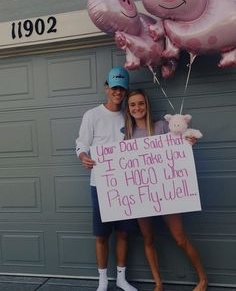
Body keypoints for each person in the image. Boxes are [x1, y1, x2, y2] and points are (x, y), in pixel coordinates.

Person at [124, 89, 208, 291]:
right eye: (133, 104)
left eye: (141, 103)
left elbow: (179, 148)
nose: (137, 108)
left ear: (147, 104)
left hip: (167, 193)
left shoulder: (161, 126)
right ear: (128, 109)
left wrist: (189, 142)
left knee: (180, 238)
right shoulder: (126, 136)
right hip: (141, 195)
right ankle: (158, 284)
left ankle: (203, 279)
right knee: (148, 239)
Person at [76, 67, 138, 291]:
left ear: (125, 90)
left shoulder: (129, 114)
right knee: (101, 234)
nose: (118, 92)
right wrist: (83, 156)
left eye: (121, 88)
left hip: (126, 184)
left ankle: (121, 278)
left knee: (123, 232)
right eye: (114, 87)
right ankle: (102, 281)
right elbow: (82, 143)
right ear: (106, 88)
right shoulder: (92, 115)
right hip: (100, 184)